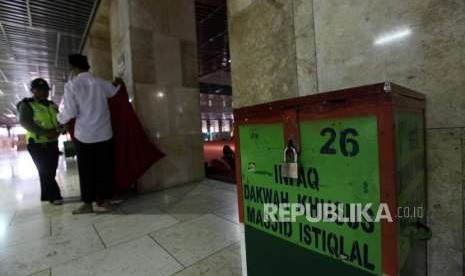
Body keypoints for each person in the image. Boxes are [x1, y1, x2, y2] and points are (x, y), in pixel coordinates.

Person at [57, 54, 117, 214]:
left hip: (84, 136)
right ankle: (105, 201)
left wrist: (59, 118)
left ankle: (88, 204)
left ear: (74, 68)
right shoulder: (101, 83)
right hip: (105, 133)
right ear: (87, 66)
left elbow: (70, 112)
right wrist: (118, 83)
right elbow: (115, 91)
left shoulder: (72, 85)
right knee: (104, 169)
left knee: (86, 170)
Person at [17, 78, 63, 205]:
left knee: (51, 170)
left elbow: (60, 120)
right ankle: (55, 195)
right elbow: (25, 122)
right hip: (36, 144)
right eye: (40, 89)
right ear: (32, 91)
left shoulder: (52, 105)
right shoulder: (26, 104)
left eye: (46, 90)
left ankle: (46, 195)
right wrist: (45, 133)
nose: (44, 92)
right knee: (45, 170)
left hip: (53, 142)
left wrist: (60, 129)